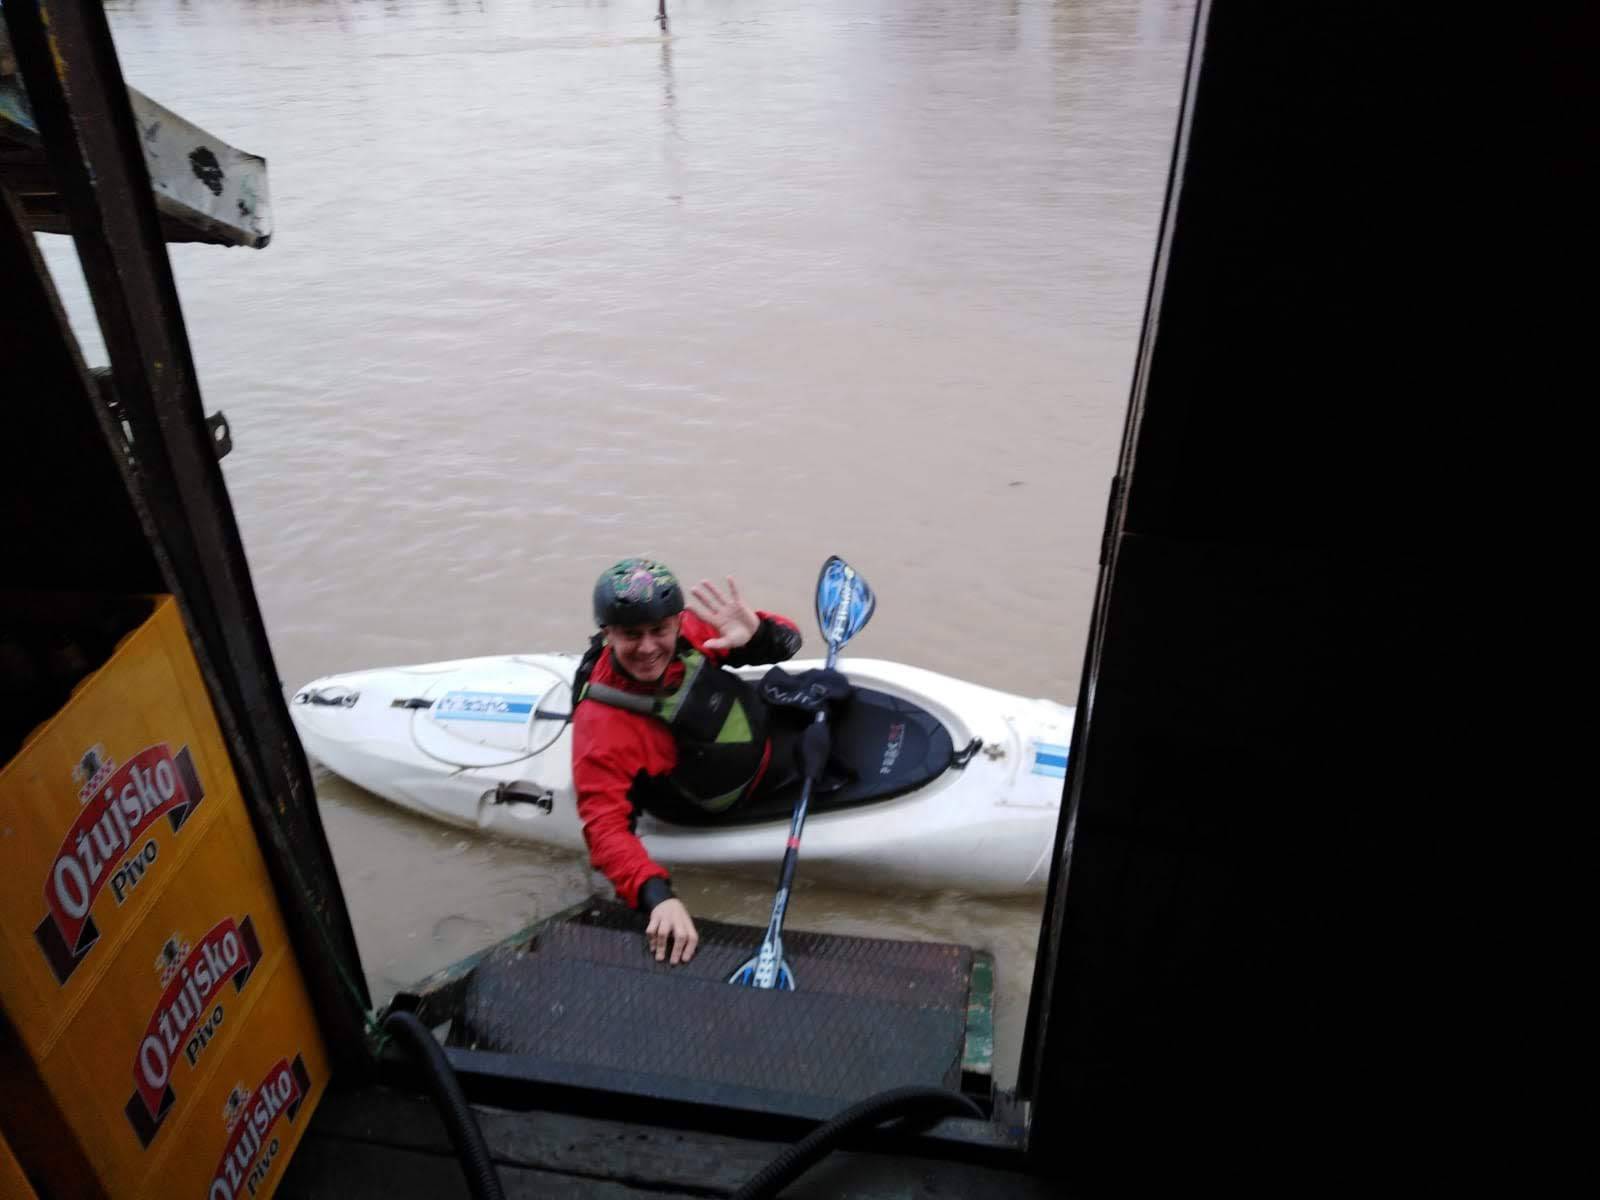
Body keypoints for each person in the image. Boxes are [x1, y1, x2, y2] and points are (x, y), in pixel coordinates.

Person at [571, 558, 803, 966]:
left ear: (676, 622)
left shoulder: (692, 631)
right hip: (718, 798)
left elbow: (791, 639)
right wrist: (657, 896)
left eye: (658, 630)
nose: (647, 647)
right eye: (630, 635)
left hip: (755, 738)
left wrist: (758, 636)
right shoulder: (601, 728)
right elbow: (604, 830)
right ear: (607, 634)